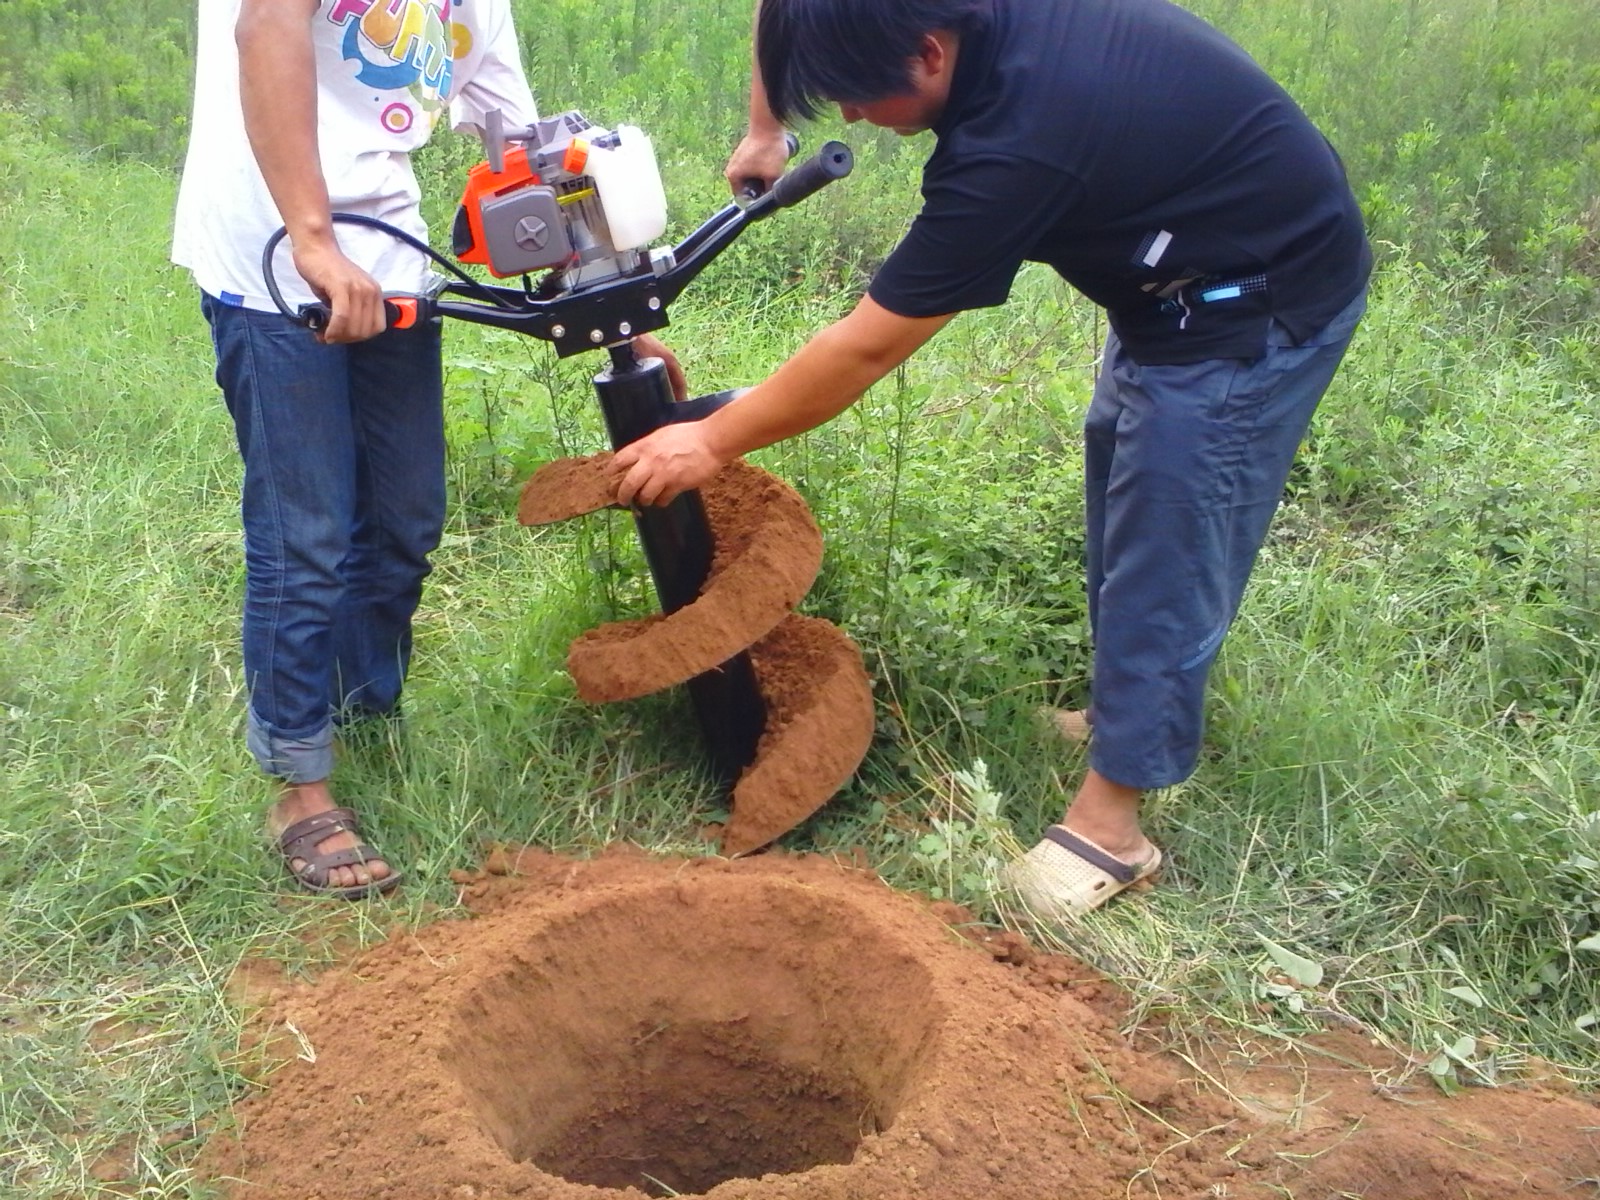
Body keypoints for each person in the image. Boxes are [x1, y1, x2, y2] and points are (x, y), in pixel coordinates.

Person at [610, 0, 1372, 918]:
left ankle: (1113, 826)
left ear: (929, 53)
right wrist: (764, 125)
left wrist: (712, 437)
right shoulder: (964, 28)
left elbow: (866, 346)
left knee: (1172, 531)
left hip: (1253, 299)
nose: (849, 120)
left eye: (856, 96)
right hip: (1168, 285)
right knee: (1123, 485)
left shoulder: (1020, 140)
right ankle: (1121, 714)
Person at [173, 0, 683, 898]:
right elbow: (266, 32)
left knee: (405, 521)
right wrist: (313, 241)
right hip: (270, 248)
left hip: (386, 254)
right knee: (309, 532)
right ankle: (301, 785)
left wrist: (612, 310)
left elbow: (523, 149)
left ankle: (364, 717)